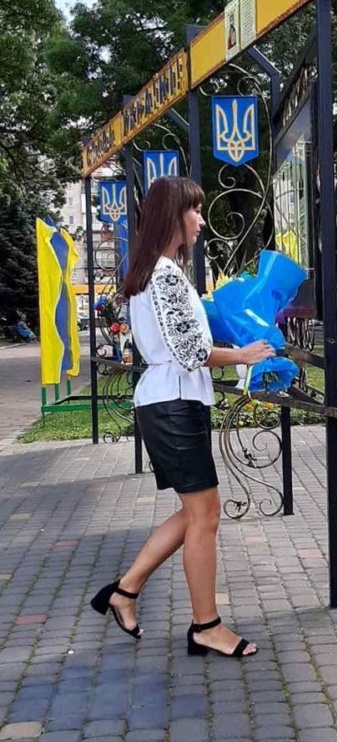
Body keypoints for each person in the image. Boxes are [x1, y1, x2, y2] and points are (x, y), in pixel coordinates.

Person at [90, 177, 274, 659]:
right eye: (195, 210)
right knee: (205, 515)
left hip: (168, 402)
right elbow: (191, 352)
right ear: (173, 215)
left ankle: (125, 591)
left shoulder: (153, 271)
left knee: (197, 512)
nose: (200, 221)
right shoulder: (165, 275)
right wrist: (244, 354)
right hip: (173, 403)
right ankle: (205, 625)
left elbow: (181, 344)